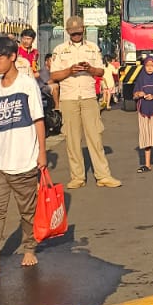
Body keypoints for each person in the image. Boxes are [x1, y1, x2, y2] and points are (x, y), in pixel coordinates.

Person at [0, 35, 46, 280]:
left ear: (12, 57)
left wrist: (42, 153)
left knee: (28, 212)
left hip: (25, 161)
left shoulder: (27, 84)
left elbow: (38, 119)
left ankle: (29, 248)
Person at [49, 17, 121, 189]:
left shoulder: (92, 48)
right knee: (72, 139)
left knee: (95, 137)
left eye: (79, 32)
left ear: (84, 30)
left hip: (88, 96)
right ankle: (77, 177)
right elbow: (54, 76)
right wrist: (70, 70)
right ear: (67, 32)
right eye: (73, 33)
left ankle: (103, 175)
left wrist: (89, 69)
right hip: (69, 97)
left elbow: (101, 71)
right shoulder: (60, 50)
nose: (76, 35)